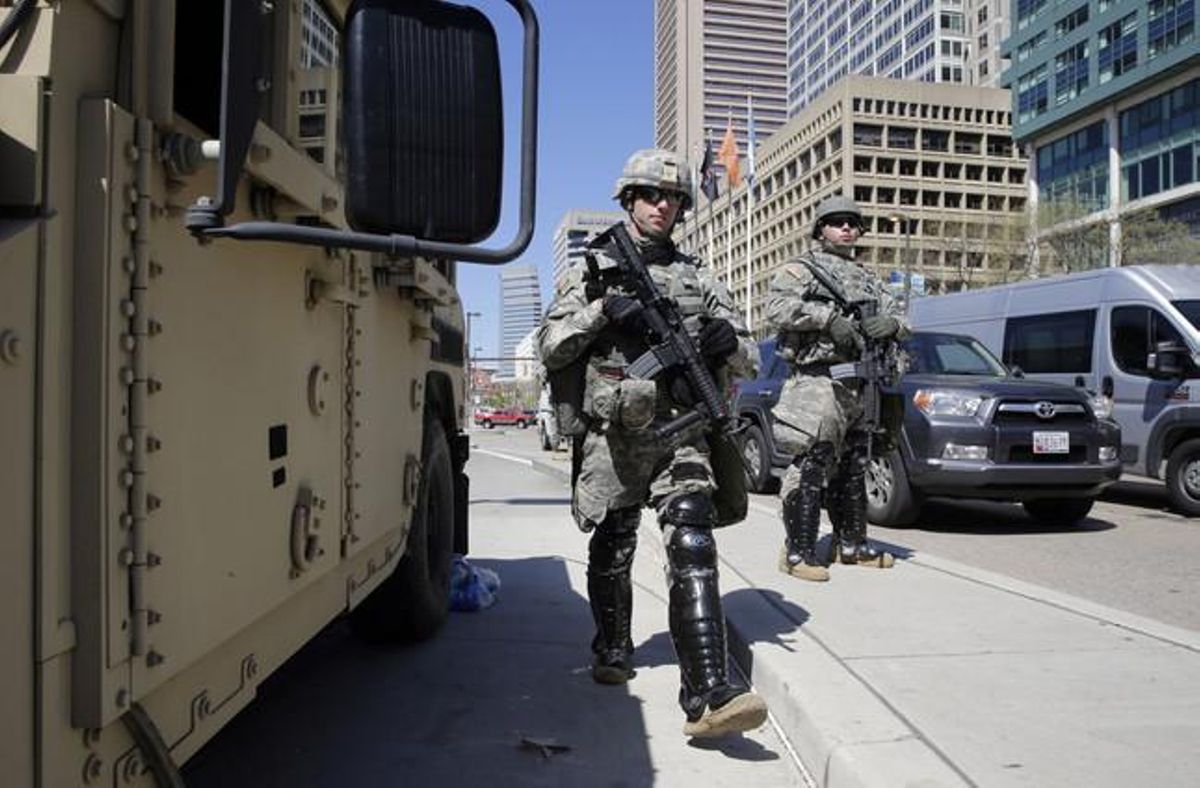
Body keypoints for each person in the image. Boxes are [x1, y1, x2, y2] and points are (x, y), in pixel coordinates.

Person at [536, 149, 767, 738]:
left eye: (672, 197)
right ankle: (612, 647)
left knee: (693, 541)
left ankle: (710, 691)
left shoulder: (699, 277)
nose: (661, 204)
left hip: (682, 432)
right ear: (628, 200)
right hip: (616, 435)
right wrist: (599, 314)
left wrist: (726, 344)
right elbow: (551, 345)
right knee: (614, 546)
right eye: (649, 194)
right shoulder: (589, 273)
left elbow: (753, 355)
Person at [765, 195, 909, 582]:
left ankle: (852, 544)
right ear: (820, 230)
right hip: (819, 381)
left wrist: (893, 326)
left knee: (855, 464)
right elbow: (775, 308)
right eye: (835, 222)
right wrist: (826, 318)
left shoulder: (868, 277)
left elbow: (901, 315)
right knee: (813, 462)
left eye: (851, 222)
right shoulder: (802, 269)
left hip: (863, 383)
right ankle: (799, 551)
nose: (845, 228)